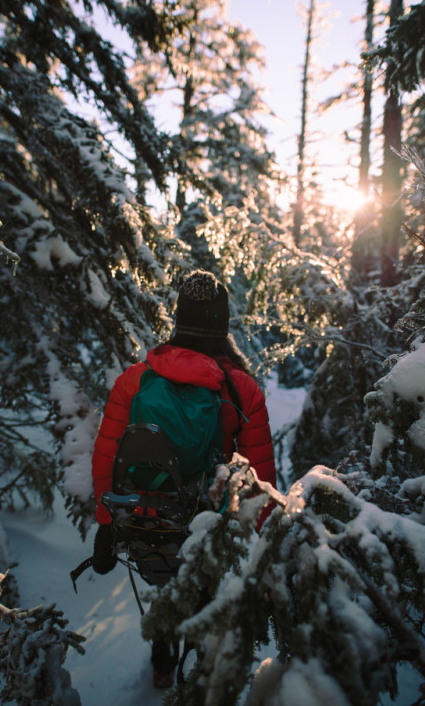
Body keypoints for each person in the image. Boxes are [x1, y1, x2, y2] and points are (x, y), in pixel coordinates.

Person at [91, 269, 276, 687]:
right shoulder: (242, 389)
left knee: (163, 588)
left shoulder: (136, 380)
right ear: (222, 326)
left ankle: (161, 663)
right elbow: (260, 477)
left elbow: (106, 457)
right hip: (205, 525)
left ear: (178, 320)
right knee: (203, 596)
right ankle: (195, 678)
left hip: (145, 519)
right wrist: (264, 547)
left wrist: (107, 526)